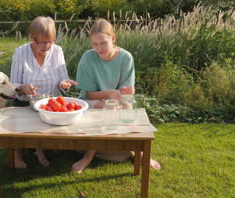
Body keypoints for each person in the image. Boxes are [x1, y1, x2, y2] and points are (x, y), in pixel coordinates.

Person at [72, 19, 161, 173]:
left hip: (117, 100)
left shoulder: (126, 57)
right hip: (91, 101)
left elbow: (126, 93)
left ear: (113, 39)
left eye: (103, 43)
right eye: (94, 44)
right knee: (106, 108)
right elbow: (90, 95)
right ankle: (89, 156)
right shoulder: (88, 58)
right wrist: (109, 94)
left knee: (127, 107)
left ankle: (138, 151)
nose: (98, 48)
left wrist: (128, 92)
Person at [10, 16, 77, 168]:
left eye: (50, 41)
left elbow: (62, 77)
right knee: (20, 123)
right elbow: (13, 83)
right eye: (42, 42)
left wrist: (64, 83)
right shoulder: (20, 53)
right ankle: (17, 154)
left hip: (50, 102)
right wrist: (23, 87)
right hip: (26, 102)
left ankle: (40, 148)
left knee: (48, 118)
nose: (47, 46)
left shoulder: (57, 51)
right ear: (32, 38)